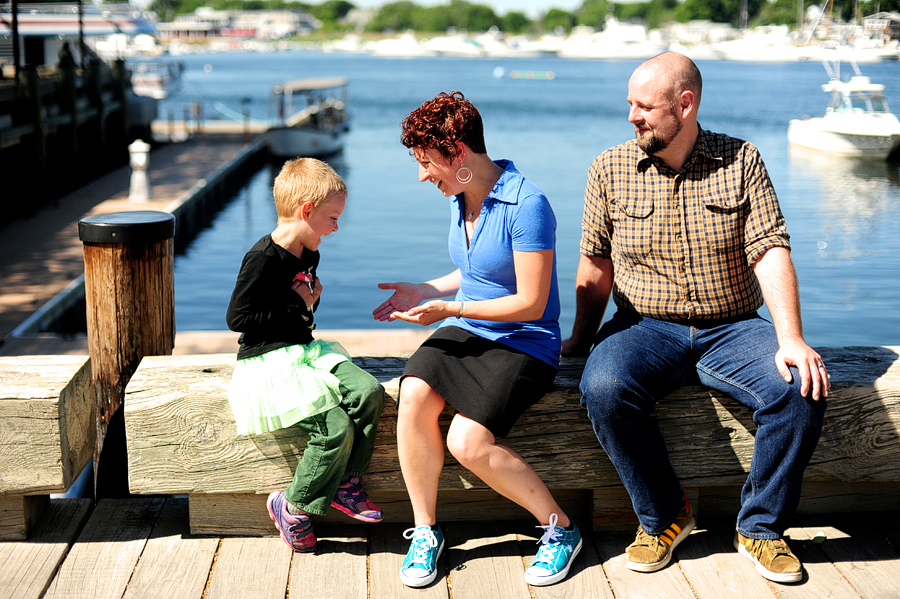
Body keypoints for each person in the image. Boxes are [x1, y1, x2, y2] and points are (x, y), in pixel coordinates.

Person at [564, 52, 829, 584]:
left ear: (685, 105)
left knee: (801, 387)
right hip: (643, 326)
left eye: (644, 106)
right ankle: (664, 516)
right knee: (604, 386)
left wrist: (792, 337)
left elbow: (770, 250)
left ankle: (760, 528)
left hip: (732, 326)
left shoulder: (743, 161)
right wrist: (578, 342)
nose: (633, 116)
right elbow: (595, 267)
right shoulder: (609, 168)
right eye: (629, 105)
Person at [373, 91, 581, 588]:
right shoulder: (459, 193)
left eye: (427, 163)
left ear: (458, 153)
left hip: (525, 341)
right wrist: (429, 289)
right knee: (414, 393)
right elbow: (475, 271)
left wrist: (450, 308)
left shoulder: (528, 204)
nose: (422, 174)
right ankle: (426, 531)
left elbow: (531, 302)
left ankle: (560, 529)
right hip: (470, 326)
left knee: (466, 441)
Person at [226, 157, 386, 553]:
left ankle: (347, 482)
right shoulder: (263, 257)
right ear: (306, 211)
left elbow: (302, 306)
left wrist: (308, 304)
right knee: (334, 428)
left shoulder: (308, 252)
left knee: (369, 392)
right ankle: (292, 507)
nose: (336, 227)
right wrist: (297, 307)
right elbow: (238, 317)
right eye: (332, 218)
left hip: (305, 350)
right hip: (269, 360)